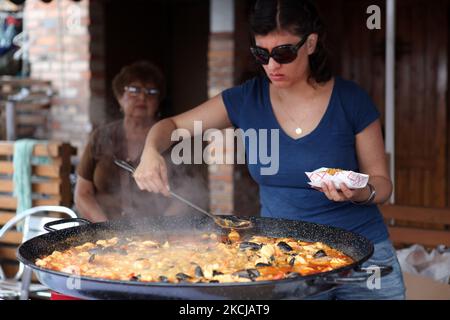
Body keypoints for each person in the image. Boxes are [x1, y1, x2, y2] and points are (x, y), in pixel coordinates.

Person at [133, 0, 405, 300]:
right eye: (262, 54)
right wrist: (150, 152)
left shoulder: (351, 100)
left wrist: (359, 192)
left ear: (311, 43)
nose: (272, 65)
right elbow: (171, 126)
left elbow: (382, 184)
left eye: (284, 53)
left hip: (363, 257)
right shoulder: (246, 100)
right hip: (284, 261)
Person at [75, 61, 205, 222]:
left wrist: (159, 230)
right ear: (120, 97)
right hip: (104, 233)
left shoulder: (173, 139)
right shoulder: (101, 136)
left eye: (151, 92)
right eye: (134, 90)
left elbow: (187, 193)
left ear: (158, 101)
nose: (142, 97)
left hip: (156, 235)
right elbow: (82, 194)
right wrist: (105, 229)